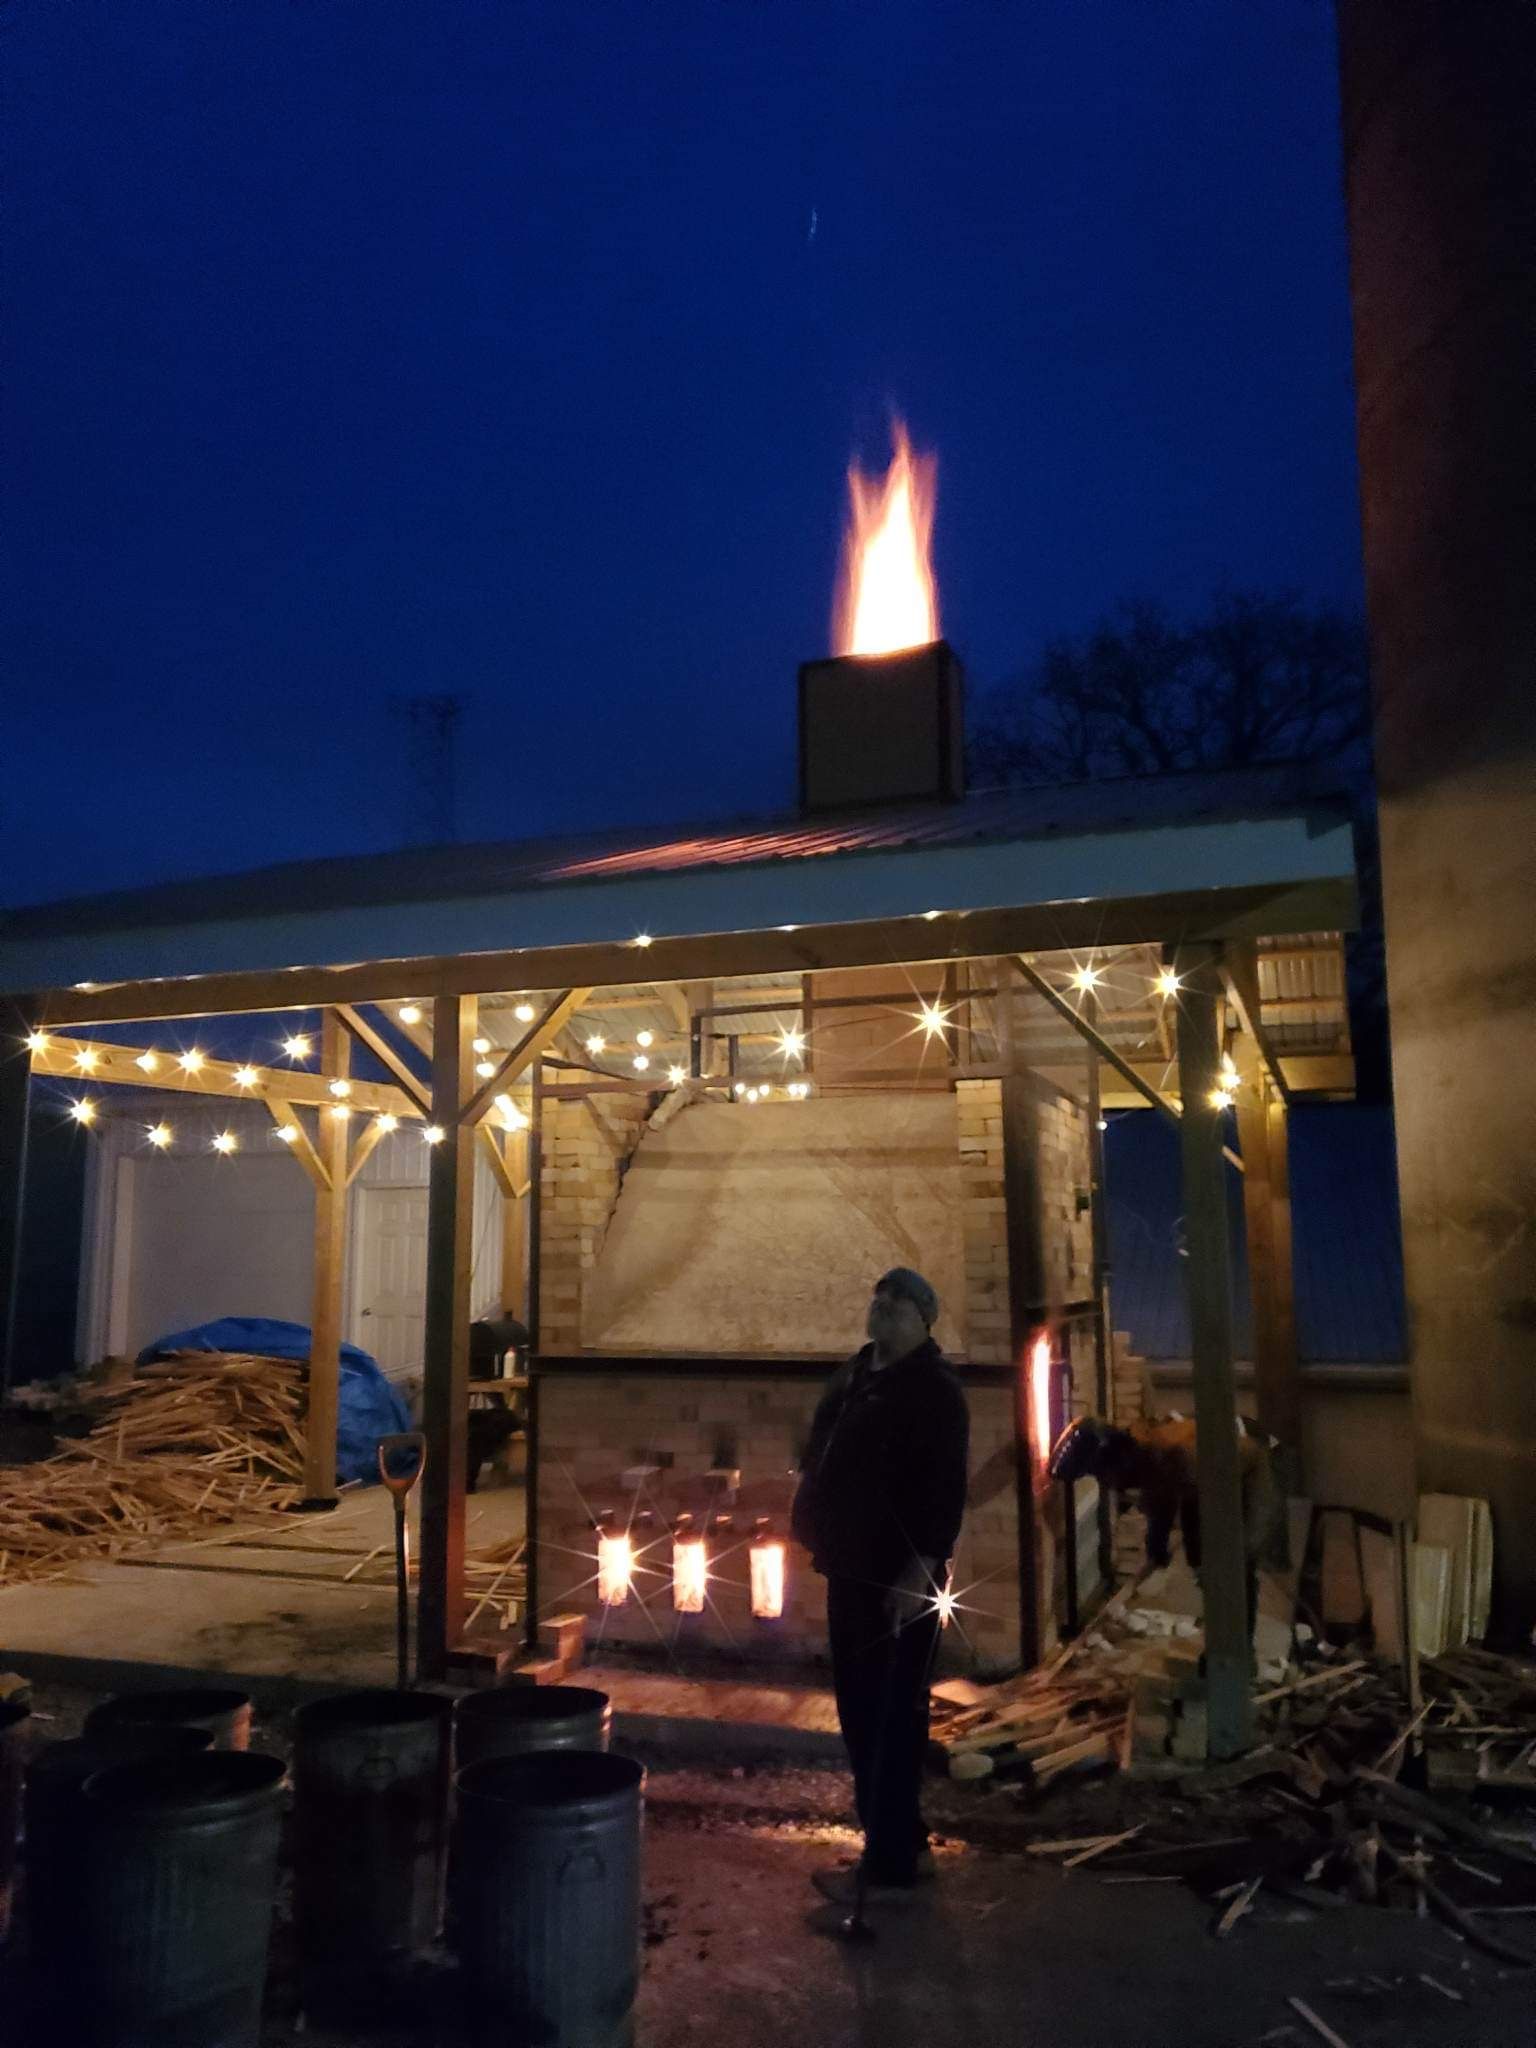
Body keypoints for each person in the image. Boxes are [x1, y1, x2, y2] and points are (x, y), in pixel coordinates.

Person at [791, 1267, 969, 1907]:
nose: (884, 1311)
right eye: (879, 1301)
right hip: (850, 1566)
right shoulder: (861, 1372)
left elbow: (945, 1491)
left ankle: (892, 1861)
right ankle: (896, 1844)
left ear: (926, 1319)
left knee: (890, 1717)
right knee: (860, 1712)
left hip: (898, 1579)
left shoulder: (934, 1392)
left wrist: (921, 1570)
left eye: (899, 1305)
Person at [1047, 1412, 1281, 1639]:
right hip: (1205, 1480)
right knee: (1202, 1559)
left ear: (1116, 1461)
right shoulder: (1145, 1452)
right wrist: (1158, 1546)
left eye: (1103, 1474)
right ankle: (1221, 1633)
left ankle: (1237, 1649)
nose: (1106, 1482)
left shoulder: (1178, 1457)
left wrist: (1212, 1557)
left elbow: (1185, 1503)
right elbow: (1161, 1495)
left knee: (1235, 1562)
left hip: (1251, 1469)